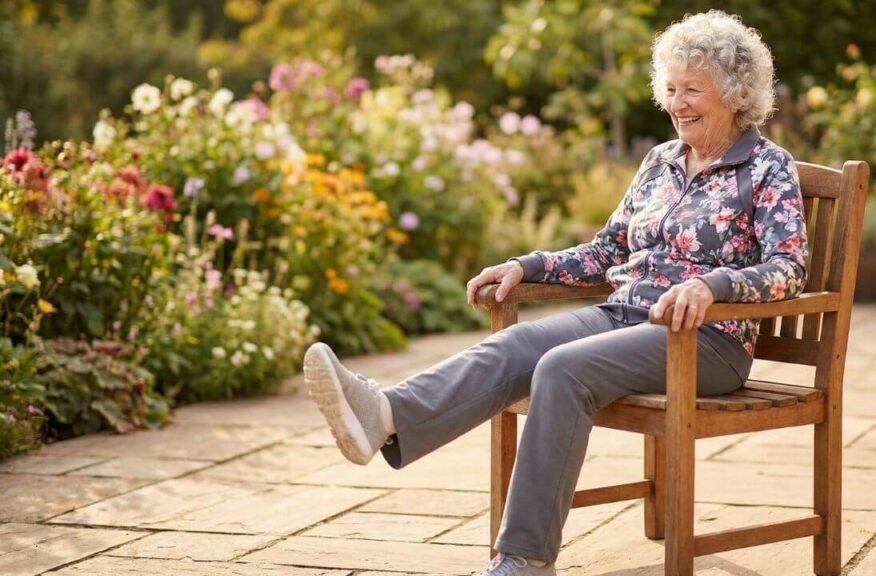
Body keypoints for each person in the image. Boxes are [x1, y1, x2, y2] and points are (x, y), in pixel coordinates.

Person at [302, 10, 808, 575]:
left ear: (737, 96)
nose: (676, 102)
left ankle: (523, 559)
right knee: (513, 348)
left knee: (562, 369)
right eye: (669, 88)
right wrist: (528, 265)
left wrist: (711, 285)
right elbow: (608, 249)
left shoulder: (767, 167)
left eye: (693, 89)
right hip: (625, 315)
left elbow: (788, 266)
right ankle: (385, 413)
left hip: (707, 340)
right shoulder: (660, 162)